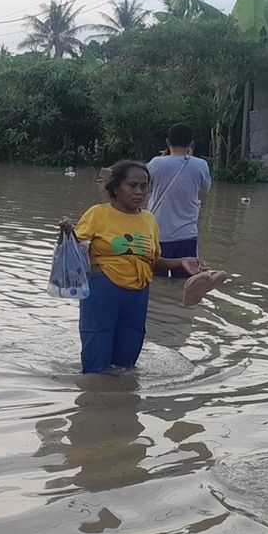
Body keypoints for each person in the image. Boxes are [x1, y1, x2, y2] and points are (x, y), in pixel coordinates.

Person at [59, 160, 206, 374]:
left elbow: (153, 263)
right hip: (103, 293)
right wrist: (67, 232)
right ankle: (94, 401)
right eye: (132, 185)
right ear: (116, 188)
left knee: (126, 365)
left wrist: (182, 262)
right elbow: (75, 252)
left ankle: (123, 403)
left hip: (137, 296)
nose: (139, 192)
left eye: (144, 186)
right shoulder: (97, 214)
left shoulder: (149, 220)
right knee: (95, 365)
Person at [145, 123, 211, 278]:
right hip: (186, 235)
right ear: (191, 143)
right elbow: (205, 191)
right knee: (185, 284)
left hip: (157, 233)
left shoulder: (155, 163)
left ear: (168, 142)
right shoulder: (200, 165)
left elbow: (145, 188)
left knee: (154, 282)